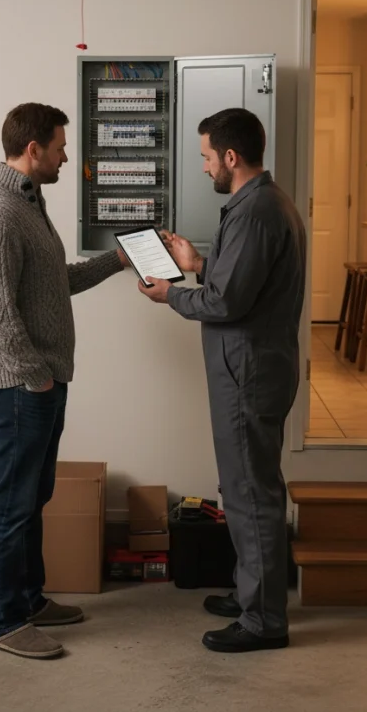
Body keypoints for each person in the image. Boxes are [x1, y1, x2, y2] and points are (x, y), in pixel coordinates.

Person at [137, 107, 306, 653]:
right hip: (254, 366)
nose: (206, 166)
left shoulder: (256, 212)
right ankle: (250, 592)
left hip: (248, 371)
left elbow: (227, 301)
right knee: (244, 488)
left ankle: (262, 621)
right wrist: (196, 261)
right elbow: (241, 279)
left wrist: (171, 294)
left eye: (208, 156)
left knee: (251, 492)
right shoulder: (263, 204)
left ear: (231, 157)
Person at [0, 102, 126, 659]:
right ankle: (5, 622)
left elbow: (58, 282)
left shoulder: (29, 204)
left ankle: (29, 600)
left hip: (43, 381)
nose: (65, 157)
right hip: (18, 386)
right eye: (60, 147)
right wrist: (35, 378)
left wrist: (120, 258)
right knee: (10, 504)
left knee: (34, 496)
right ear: (32, 150)